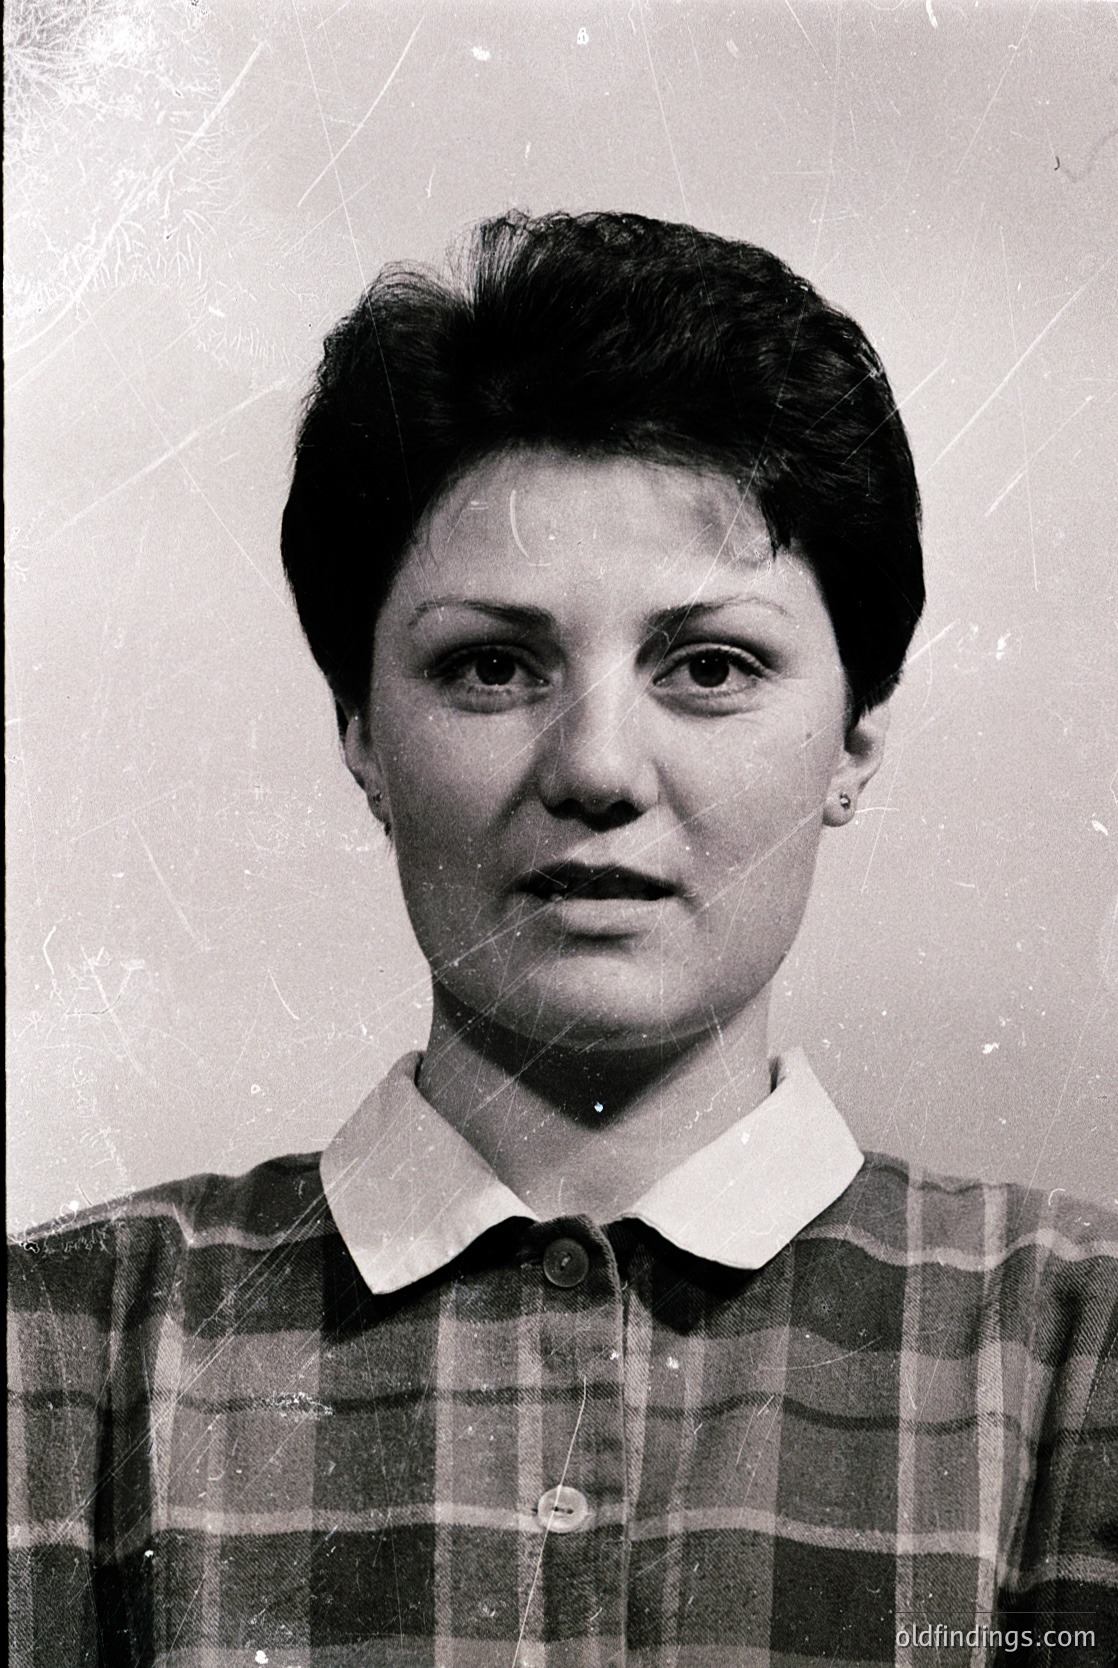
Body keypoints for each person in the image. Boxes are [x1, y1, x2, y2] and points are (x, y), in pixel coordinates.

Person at [9, 211, 1116, 1668]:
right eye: (489, 666)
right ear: (361, 734)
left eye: (709, 667)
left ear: (853, 735)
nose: (596, 766)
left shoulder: (1077, 1350)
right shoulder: (58, 1355)